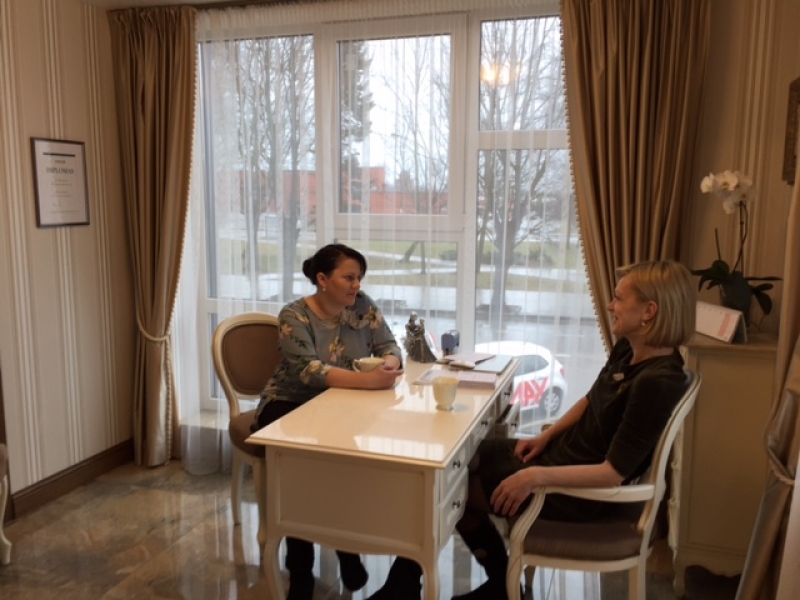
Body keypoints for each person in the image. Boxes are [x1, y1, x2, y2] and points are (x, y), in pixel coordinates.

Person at [366, 259, 697, 600]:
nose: (611, 306)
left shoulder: (658, 382)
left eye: (619, 299)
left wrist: (533, 477)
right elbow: (591, 398)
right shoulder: (630, 348)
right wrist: (546, 436)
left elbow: (612, 474)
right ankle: (443, 584)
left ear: (649, 311)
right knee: (458, 461)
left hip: (578, 492)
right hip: (562, 456)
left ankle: (438, 586)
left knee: (449, 493)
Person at [253, 243, 404, 600]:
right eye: (349, 278)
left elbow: (389, 345)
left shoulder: (362, 306)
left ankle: (345, 544)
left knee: (346, 465)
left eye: (359, 278)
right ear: (322, 279)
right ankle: (303, 569)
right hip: (288, 402)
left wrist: (389, 365)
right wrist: (369, 381)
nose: (357, 285)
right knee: (302, 472)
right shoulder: (294, 315)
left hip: (341, 402)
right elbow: (309, 371)